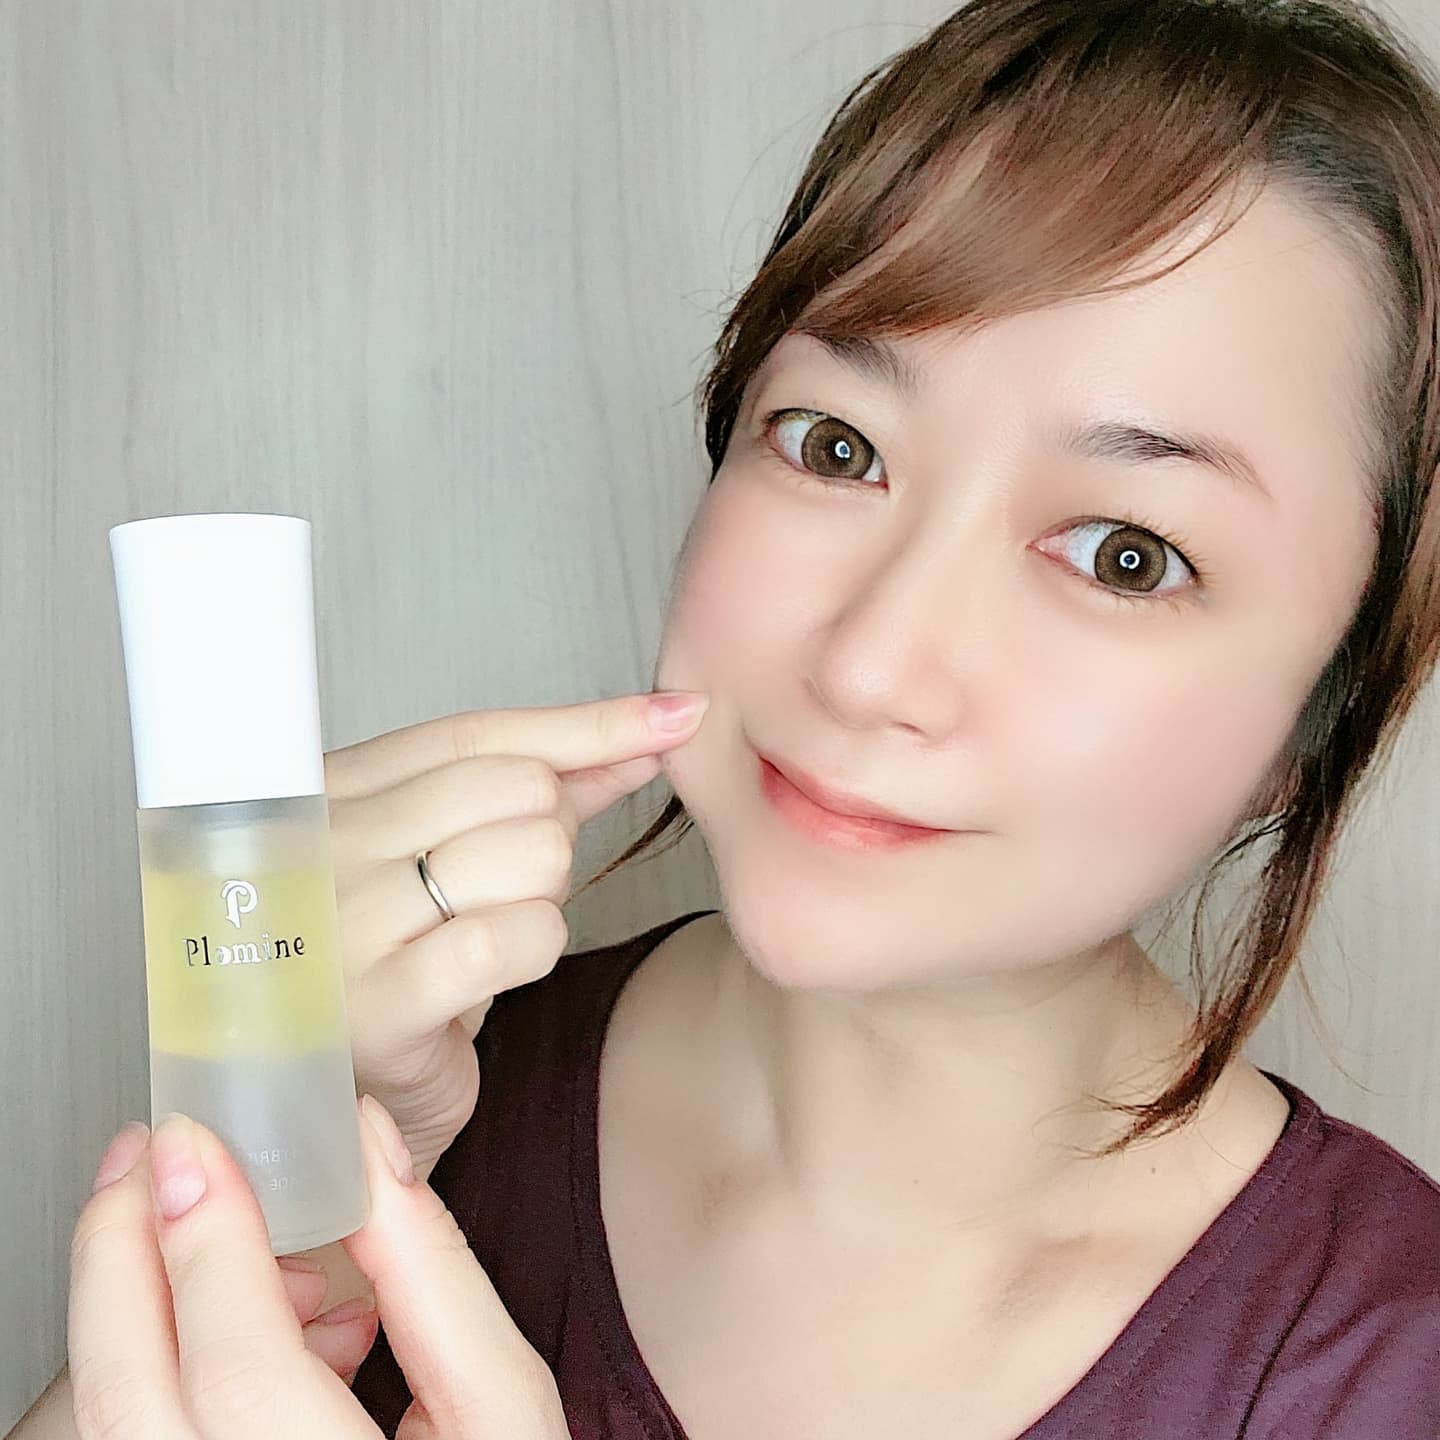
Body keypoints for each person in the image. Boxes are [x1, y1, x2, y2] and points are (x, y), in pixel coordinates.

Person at [16, 0, 1440, 1436]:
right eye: (836, 445)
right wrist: (286, 1180)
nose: (868, 666)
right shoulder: (420, 1089)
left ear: (1321, 714)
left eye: (1126, 555)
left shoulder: (1383, 1366)